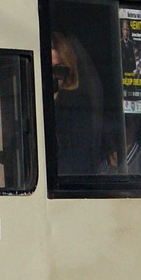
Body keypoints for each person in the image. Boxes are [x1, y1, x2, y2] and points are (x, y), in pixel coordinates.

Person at [49, 31, 102, 175]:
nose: (52, 77)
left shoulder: (74, 109)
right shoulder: (27, 104)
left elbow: (77, 160)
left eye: (59, 70)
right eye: (46, 69)